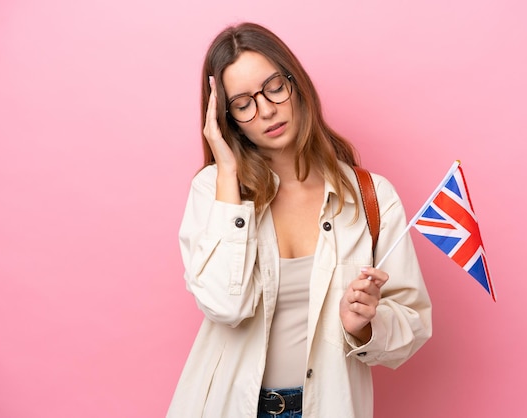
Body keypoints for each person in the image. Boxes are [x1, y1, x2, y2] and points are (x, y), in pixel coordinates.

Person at [166, 22, 432, 418]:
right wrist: (226, 172)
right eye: (243, 104)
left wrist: (363, 325)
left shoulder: (370, 197)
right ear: (228, 118)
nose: (267, 109)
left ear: (296, 82)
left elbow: (413, 323)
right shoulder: (214, 192)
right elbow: (225, 305)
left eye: (273, 86)